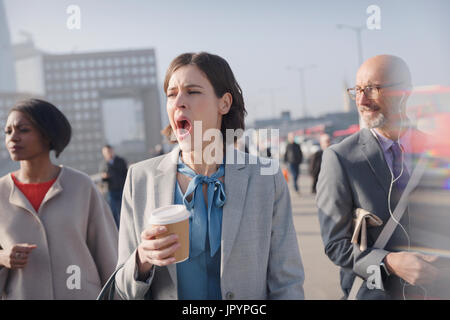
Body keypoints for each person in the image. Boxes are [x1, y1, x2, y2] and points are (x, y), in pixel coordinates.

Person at [113, 52, 305, 300]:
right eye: (171, 94)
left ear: (224, 103)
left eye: (192, 91)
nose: (179, 101)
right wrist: (142, 259)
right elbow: (122, 289)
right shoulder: (140, 179)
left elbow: (287, 281)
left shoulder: (266, 178)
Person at [316, 55, 439, 299]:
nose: (361, 100)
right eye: (357, 90)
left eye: (372, 89)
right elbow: (335, 245)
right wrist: (390, 262)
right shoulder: (340, 158)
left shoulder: (436, 151)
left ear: (404, 91)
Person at [0, 99, 118, 299]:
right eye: (8, 131)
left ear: (47, 135)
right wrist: (3, 258)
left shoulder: (82, 186)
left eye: (23, 130)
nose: (13, 137)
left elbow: (109, 256)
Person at [100, 145, 128, 228]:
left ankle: (125, 227)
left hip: (122, 189)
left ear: (112, 151)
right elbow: (103, 179)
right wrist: (104, 177)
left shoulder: (120, 161)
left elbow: (125, 174)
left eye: (109, 151)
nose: (108, 154)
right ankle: (118, 230)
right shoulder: (104, 164)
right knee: (113, 212)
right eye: (105, 152)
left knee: (123, 210)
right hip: (111, 191)